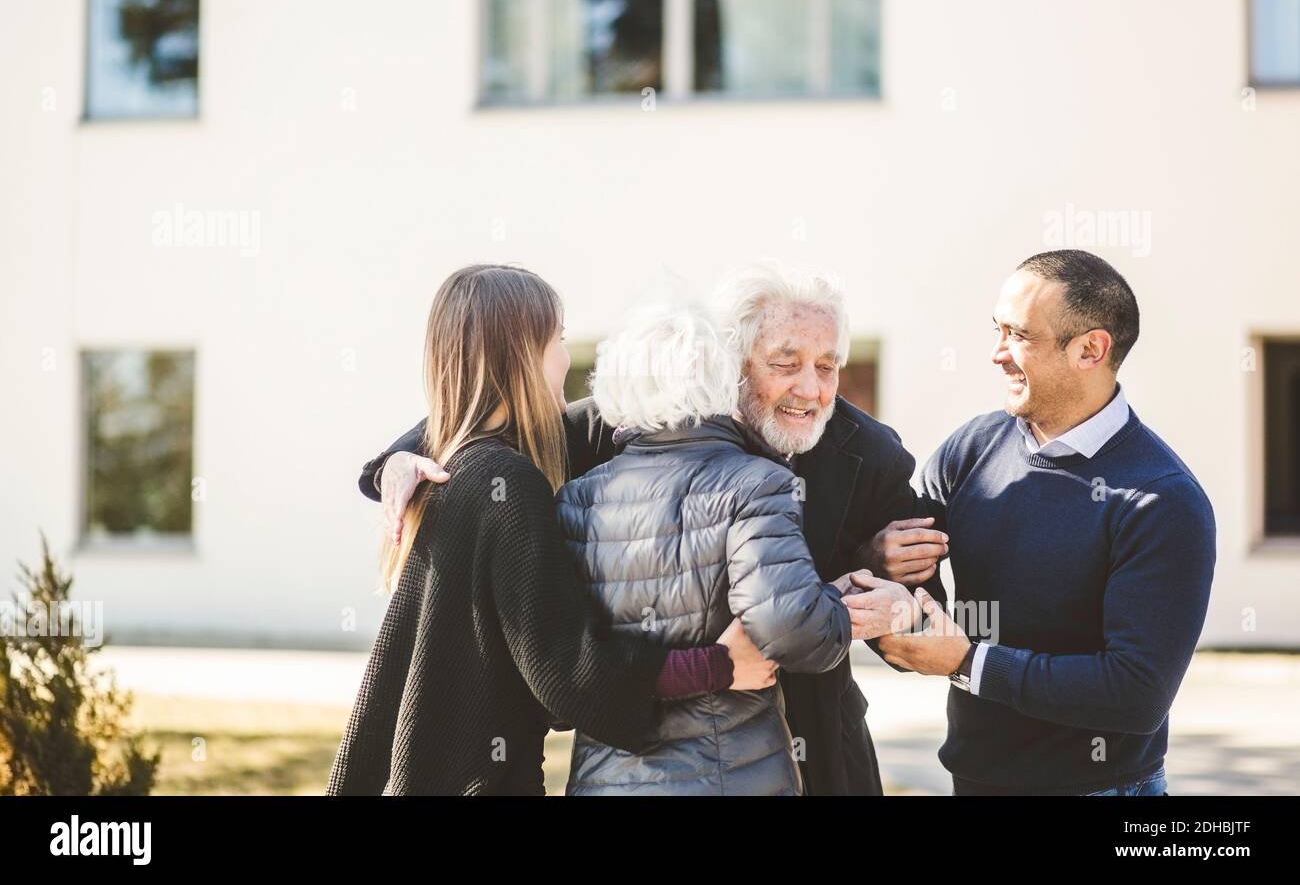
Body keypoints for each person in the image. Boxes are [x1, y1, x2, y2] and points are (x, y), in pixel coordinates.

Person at [360, 263, 943, 795]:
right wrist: (397, 459)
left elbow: (928, 621)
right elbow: (492, 412)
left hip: (817, 751)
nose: (811, 389)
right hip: (647, 746)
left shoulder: (870, 452)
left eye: (828, 366)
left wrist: (886, 592)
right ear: (728, 361)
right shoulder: (627, 423)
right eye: (785, 364)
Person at [326, 264, 774, 796]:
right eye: (557, 339)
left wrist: (394, 460)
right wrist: (717, 667)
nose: (567, 356)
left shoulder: (461, 464)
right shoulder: (507, 483)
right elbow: (569, 675)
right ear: (522, 354)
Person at [875, 249, 1216, 796]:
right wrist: (886, 559)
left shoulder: (1161, 500)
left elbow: (1134, 697)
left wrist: (967, 662)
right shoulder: (970, 449)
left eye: (1019, 335)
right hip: (973, 780)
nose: (997, 354)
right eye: (997, 329)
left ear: (1090, 349)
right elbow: (915, 624)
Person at [558, 299, 874, 794]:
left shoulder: (574, 500)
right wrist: (837, 602)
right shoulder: (758, 483)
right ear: (725, 382)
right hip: (735, 775)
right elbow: (788, 629)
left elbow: (565, 662)